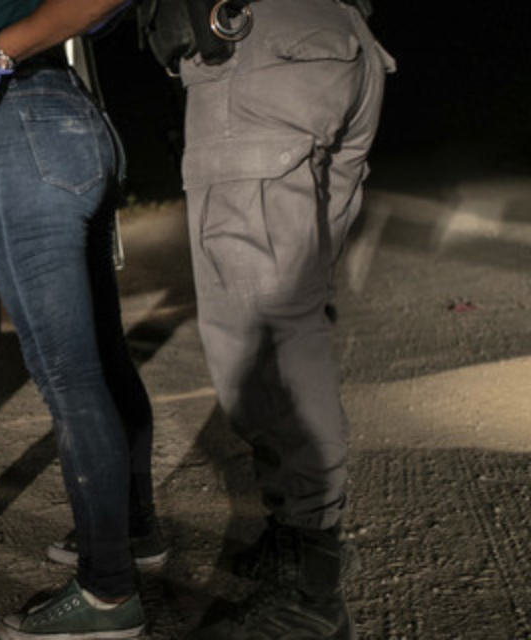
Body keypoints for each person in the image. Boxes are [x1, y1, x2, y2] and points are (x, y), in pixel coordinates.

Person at [0, 1, 163, 638]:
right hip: (68, 121)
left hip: (22, 127)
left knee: (69, 377)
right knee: (100, 357)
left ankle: (107, 593)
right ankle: (132, 531)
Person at [158, 0, 394, 637]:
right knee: (295, 311)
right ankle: (297, 537)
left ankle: (309, 598)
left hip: (263, 47)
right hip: (340, 39)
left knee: (260, 330)